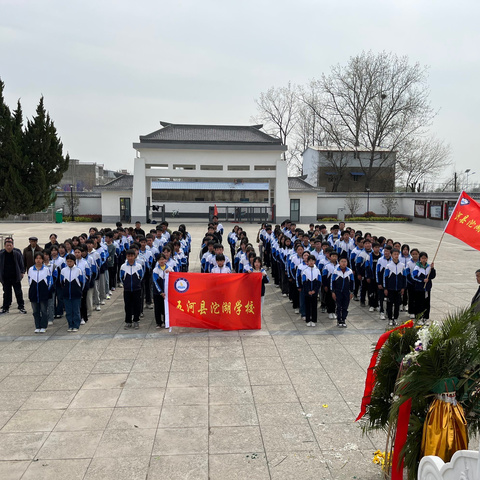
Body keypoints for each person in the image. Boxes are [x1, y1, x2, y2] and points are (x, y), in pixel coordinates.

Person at [28, 252, 53, 333]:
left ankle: (43, 326)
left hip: (43, 293)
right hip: (34, 293)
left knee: (44, 310)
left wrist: (46, 290)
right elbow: (29, 281)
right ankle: (37, 326)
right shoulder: (31, 269)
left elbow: (49, 281)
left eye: (40, 258)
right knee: (35, 311)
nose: (38, 260)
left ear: (42, 259)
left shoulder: (46, 269)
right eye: (36, 258)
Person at [0, 238, 27, 314]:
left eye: (10, 245)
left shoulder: (16, 254)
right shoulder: (1, 254)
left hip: (15, 277)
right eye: (7, 245)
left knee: (18, 292)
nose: (9, 247)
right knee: (6, 293)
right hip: (5, 278)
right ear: (4, 246)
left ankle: (21, 307)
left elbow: (21, 264)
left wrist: (22, 272)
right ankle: (5, 308)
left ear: (13, 246)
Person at [60, 254, 85, 332]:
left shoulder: (78, 270)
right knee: (68, 311)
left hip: (76, 294)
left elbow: (82, 282)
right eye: (68, 261)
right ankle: (70, 324)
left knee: (76, 310)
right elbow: (61, 282)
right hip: (67, 294)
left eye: (71, 261)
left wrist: (79, 291)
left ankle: (76, 325)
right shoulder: (63, 271)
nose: (69, 263)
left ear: (74, 261)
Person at [120, 249, 143, 330]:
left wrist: (137, 284)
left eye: (132, 256)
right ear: (126, 256)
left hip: (137, 289)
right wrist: (126, 285)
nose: (130, 258)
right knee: (127, 305)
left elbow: (141, 276)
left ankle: (136, 320)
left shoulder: (138, 266)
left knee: (137, 305)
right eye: (128, 256)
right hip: (127, 290)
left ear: (134, 256)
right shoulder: (123, 266)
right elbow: (121, 277)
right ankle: (128, 321)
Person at [383, 248, 407, 326]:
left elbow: (404, 277)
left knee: (397, 305)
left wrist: (403, 287)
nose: (396, 256)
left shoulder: (402, 266)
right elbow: (385, 277)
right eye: (394, 254)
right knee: (390, 304)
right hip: (390, 289)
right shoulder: (388, 266)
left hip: (399, 289)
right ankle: (390, 318)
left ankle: (395, 318)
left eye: (397, 254)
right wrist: (385, 288)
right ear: (391, 255)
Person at [412, 252, 436, 325]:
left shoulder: (429, 267)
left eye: (425, 258)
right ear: (420, 259)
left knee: (426, 304)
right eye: (422, 258)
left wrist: (433, 269)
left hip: (427, 289)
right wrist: (422, 280)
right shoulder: (417, 267)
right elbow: (414, 277)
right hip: (419, 288)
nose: (424, 260)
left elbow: (432, 276)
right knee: (419, 303)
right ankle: (418, 318)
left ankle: (425, 318)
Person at [331, 257, 355, 328]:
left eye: (345, 261)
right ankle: (339, 320)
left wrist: (352, 292)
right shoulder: (336, 271)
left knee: (345, 306)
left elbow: (352, 282)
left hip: (346, 292)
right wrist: (333, 292)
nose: (344, 263)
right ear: (339, 263)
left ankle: (343, 319)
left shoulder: (349, 271)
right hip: (338, 292)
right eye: (342, 261)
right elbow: (332, 282)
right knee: (338, 306)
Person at [299, 254, 321, 327]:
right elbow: (304, 282)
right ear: (307, 262)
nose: (311, 262)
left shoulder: (317, 270)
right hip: (307, 291)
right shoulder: (305, 271)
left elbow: (319, 281)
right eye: (310, 261)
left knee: (314, 306)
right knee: (307, 305)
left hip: (315, 291)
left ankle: (314, 320)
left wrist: (315, 290)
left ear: (314, 261)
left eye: (312, 261)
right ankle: (308, 320)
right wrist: (308, 290)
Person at [152, 253, 173, 328]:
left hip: (167, 292)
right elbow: (155, 282)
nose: (161, 261)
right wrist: (160, 292)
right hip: (157, 293)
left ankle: (166, 322)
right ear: (157, 261)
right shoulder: (155, 270)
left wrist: (170, 273)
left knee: (165, 308)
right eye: (160, 259)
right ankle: (158, 323)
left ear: (165, 260)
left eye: (163, 259)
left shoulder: (169, 268)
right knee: (157, 308)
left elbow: (173, 279)